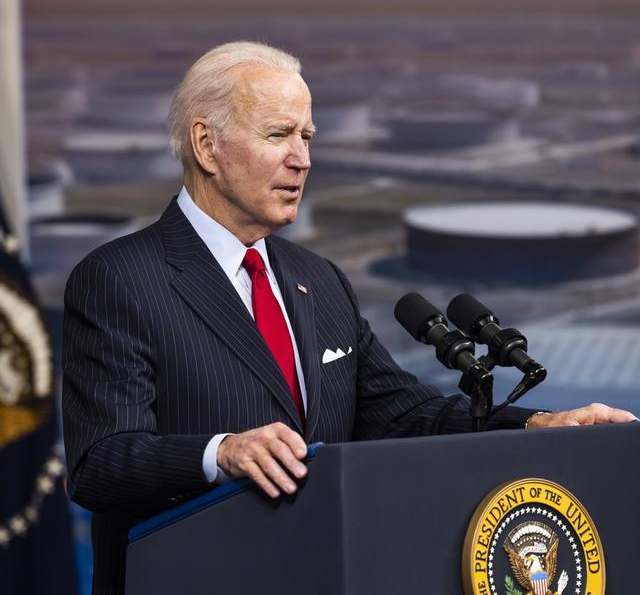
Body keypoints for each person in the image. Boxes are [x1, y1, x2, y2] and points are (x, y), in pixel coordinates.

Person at [62, 41, 636, 594]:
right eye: (279, 135)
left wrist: (534, 429)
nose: (303, 159)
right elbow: (100, 463)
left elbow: (400, 413)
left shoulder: (322, 280)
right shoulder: (120, 278)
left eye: (307, 136)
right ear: (207, 145)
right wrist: (222, 452)